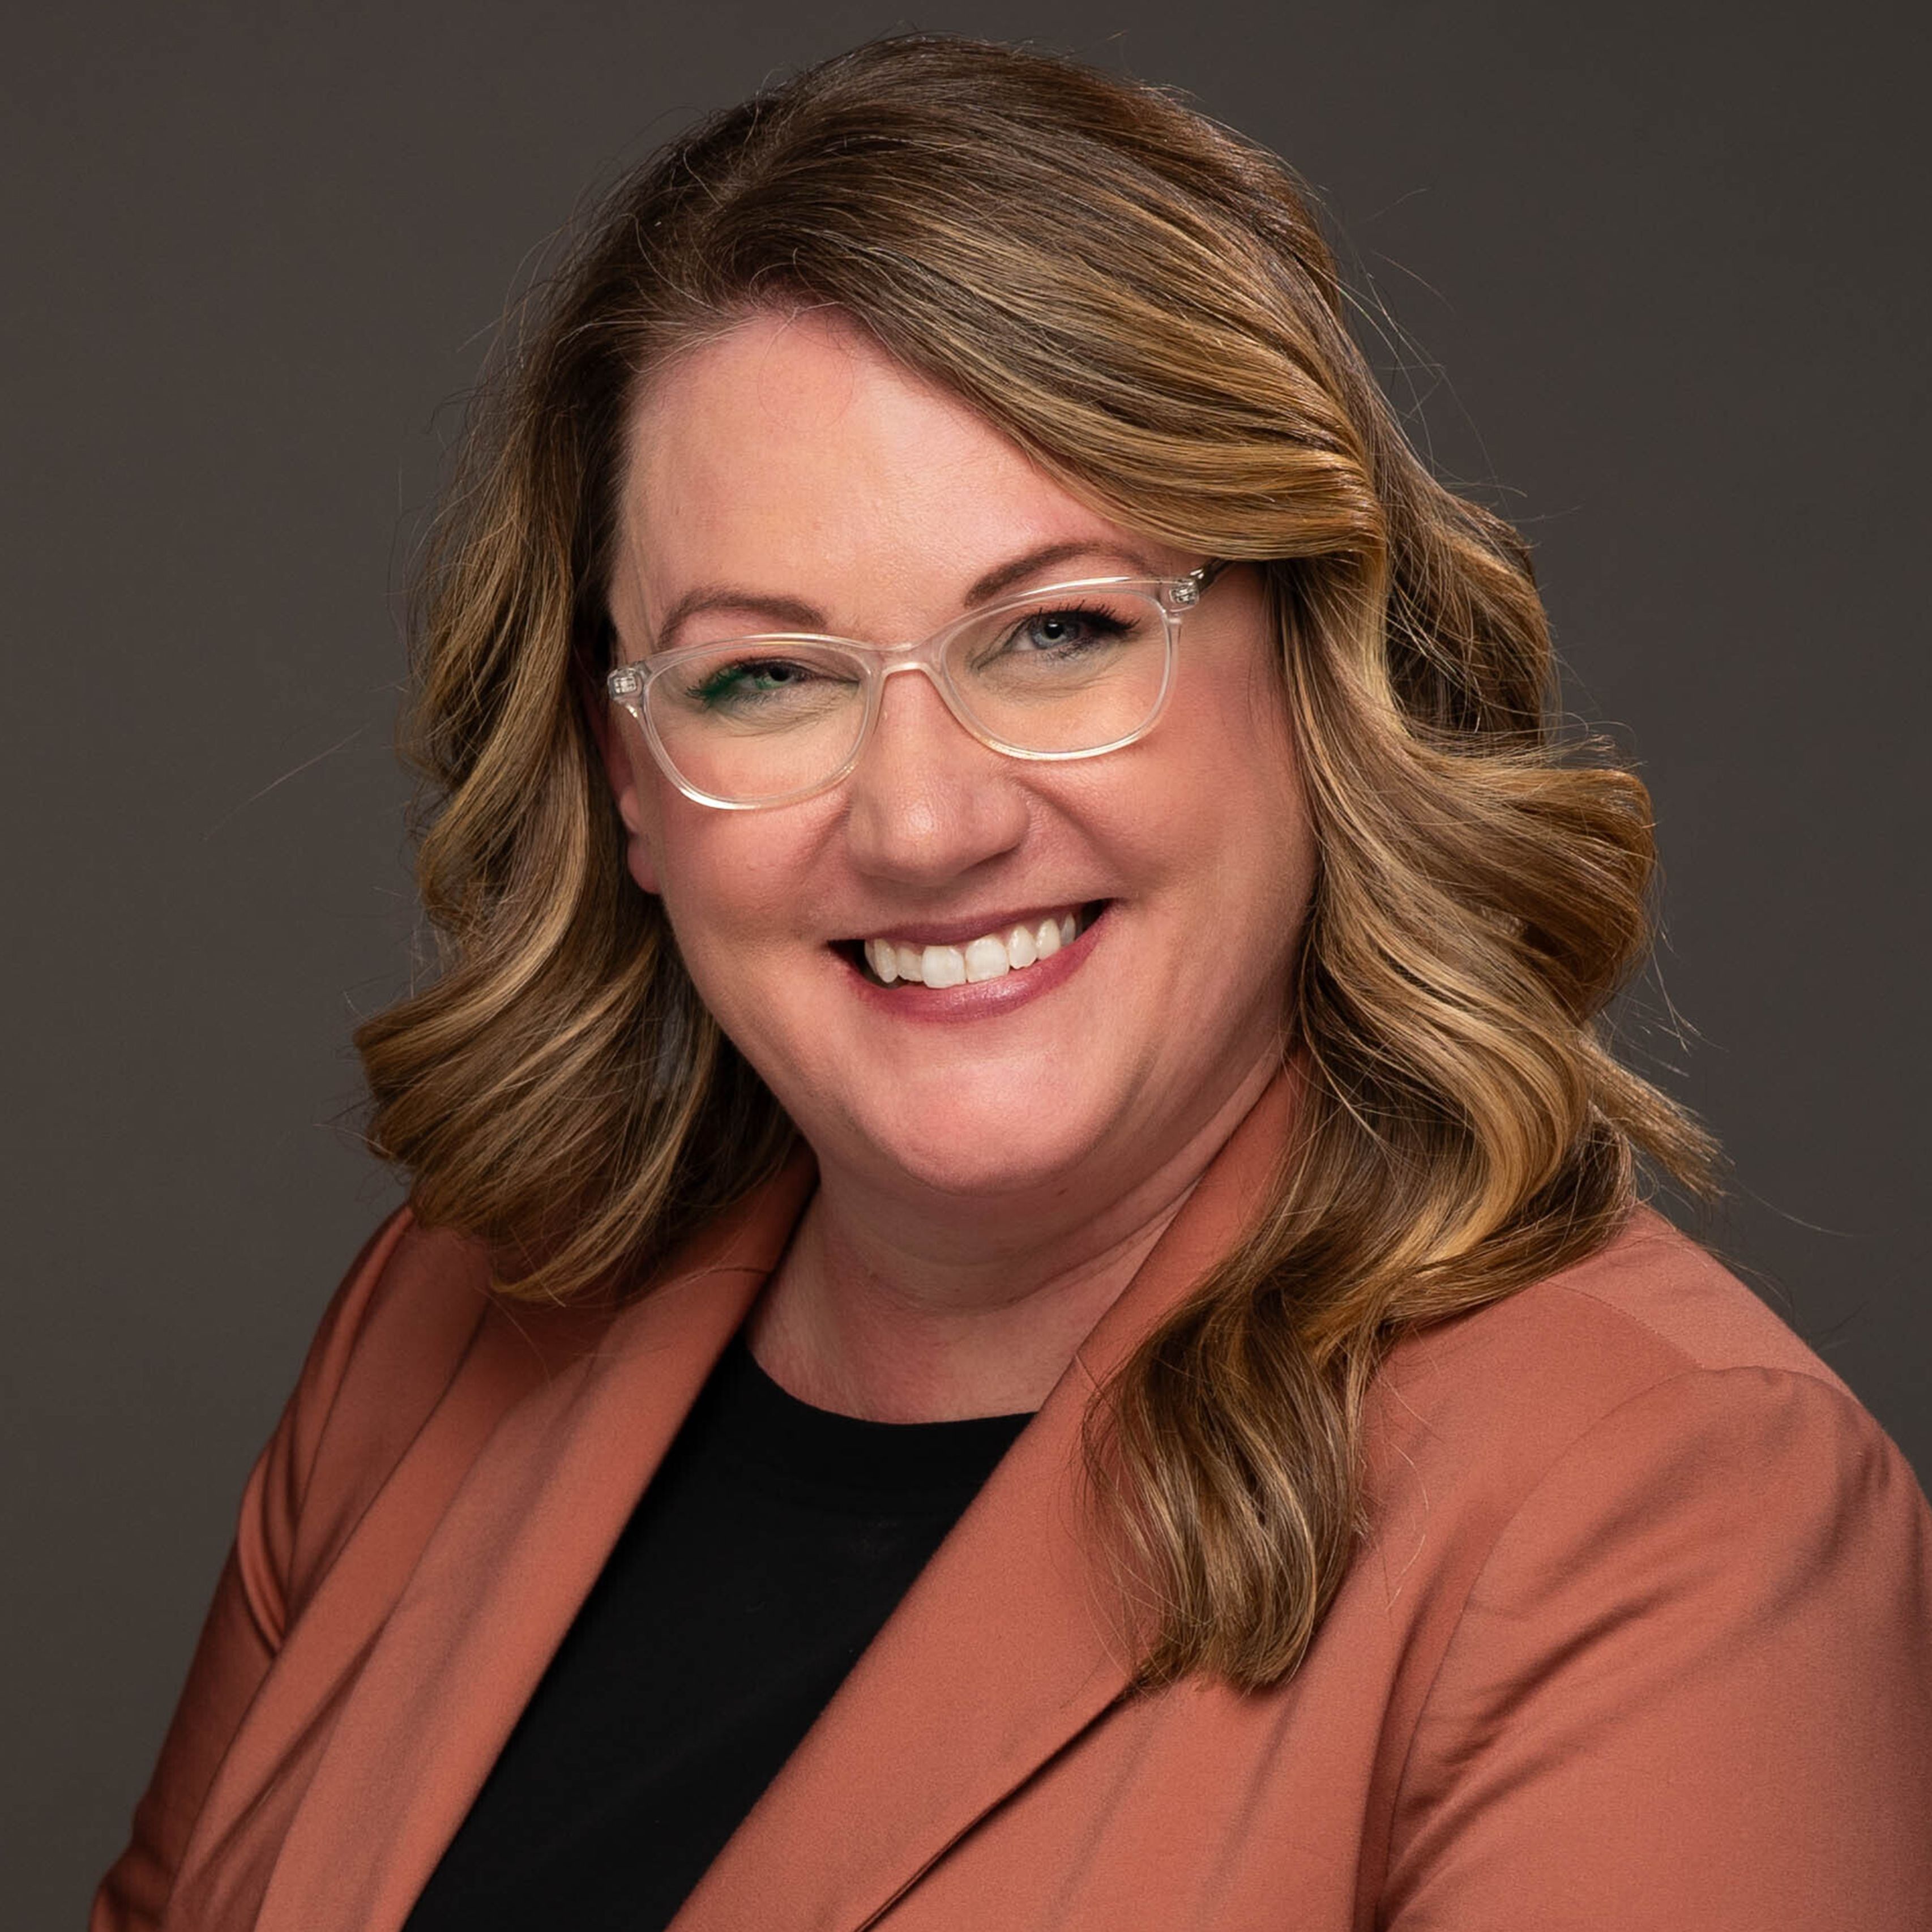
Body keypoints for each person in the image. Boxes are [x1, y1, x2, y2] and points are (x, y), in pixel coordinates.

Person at [92, 33, 1931, 1932]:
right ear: (631, 781)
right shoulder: (449, 1313)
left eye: (1055, 631)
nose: (920, 818)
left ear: (1315, 665)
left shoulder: (1671, 1523)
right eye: (762, 675)